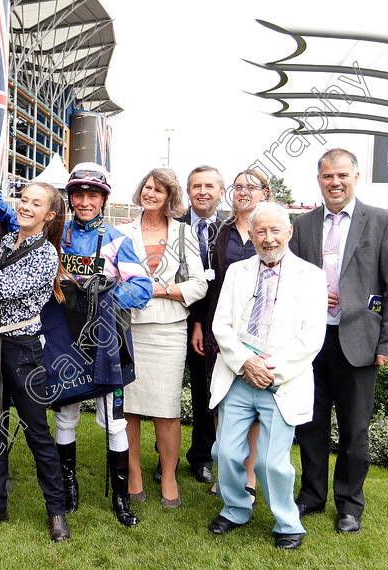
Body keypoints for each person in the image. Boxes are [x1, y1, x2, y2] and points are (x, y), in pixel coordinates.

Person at [0, 163, 153, 527]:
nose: (85, 202)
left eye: (92, 195)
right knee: (65, 416)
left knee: (114, 423)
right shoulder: (55, 235)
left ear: (104, 199)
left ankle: (122, 500)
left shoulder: (118, 240)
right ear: (69, 199)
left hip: (102, 342)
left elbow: (143, 287)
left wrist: (104, 298)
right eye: (78, 194)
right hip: (62, 343)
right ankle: (68, 488)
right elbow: (18, 218)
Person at [290, 148, 388, 534]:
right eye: (327, 176)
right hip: (310, 341)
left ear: (356, 177)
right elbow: (290, 279)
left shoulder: (384, 221)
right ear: (318, 179)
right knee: (310, 427)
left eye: (342, 175)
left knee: (355, 432)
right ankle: (311, 496)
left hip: (359, 343)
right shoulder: (302, 225)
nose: (334, 182)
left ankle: (349, 505)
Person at [207, 202, 327, 550]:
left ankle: (287, 523)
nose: (268, 238)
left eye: (276, 230)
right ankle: (235, 508)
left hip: (281, 381)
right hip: (239, 375)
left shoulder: (311, 276)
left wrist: (270, 369)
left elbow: (312, 336)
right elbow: (221, 325)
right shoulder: (238, 271)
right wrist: (247, 363)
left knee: (272, 463)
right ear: (252, 234)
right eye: (261, 231)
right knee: (225, 452)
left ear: (289, 232)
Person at [0, 182, 71, 541]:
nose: (25, 206)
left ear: (49, 214)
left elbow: (3, 288)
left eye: (35, 203)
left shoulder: (46, 255)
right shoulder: (8, 241)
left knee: (37, 432)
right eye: (23, 199)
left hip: (23, 350)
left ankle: (57, 512)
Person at [118, 168, 207, 507]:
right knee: (129, 409)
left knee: (167, 410)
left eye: (159, 190)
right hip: (129, 328)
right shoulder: (122, 231)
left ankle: (169, 476)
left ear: (170, 196)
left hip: (169, 331)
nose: (150, 193)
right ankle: (135, 474)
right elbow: (109, 276)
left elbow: (199, 284)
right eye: (147, 187)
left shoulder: (183, 234)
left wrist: (163, 289)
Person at [191, 169, 272, 501]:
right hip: (217, 329)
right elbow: (204, 280)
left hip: (259, 330)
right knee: (221, 402)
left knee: (253, 401)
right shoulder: (216, 232)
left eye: (251, 187)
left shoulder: (270, 230)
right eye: (239, 186)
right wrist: (198, 323)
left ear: (265, 193)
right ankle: (226, 472)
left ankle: (249, 475)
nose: (243, 192)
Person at [166, 165, 226, 487]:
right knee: (168, 393)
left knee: (206, 395)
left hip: (212, 325)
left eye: (209, 186)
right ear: (188, 192)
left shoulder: (230, 230)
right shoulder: (173, 227)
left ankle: (202, 457)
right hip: (172, 317)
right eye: (196, 186)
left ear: (220, 191)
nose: (203, 191)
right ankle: (167, 459)